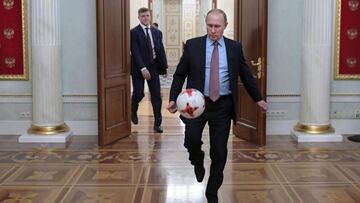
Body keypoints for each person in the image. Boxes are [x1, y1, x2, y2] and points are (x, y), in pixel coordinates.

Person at [166, 9, 267, 202]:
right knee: (191, 140)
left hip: (222, 106)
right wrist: (173, 98)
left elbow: (245, 75)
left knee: (219, 153)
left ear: (225, 26)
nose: (213, 30)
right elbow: (179, 74)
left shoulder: (234, 48)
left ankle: (212, 193)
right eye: (209, 26)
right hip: (195, 105)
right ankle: (197, 160)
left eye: (217, 26)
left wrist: (258, 98)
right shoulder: (193, 45)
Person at [131, 7, 168, 133]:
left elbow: (160, 50)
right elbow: (135, 52)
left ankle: (158, 123)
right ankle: (133, 110)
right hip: (138, 68)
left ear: (150, 16)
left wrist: (164, 68)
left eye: (147, 15)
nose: (145, 18)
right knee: (139, 94)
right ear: (139, 18)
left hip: (153, 67)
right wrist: (142, 68)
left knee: (156, 96)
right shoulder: (134, 32)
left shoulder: (157, 32)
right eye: (143, 16)